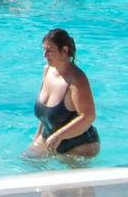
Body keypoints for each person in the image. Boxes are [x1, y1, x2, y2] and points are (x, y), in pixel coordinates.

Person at [30, 28, 98, 158]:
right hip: (50, 138)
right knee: (25, 165)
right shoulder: (48, 71)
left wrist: (58, 136)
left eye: (49, 50)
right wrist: (38, 135)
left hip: (80, 145)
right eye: (44, 50)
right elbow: (45, 112)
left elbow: (88, 117)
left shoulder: (77, 79)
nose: (44, 55)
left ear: (65, 51)